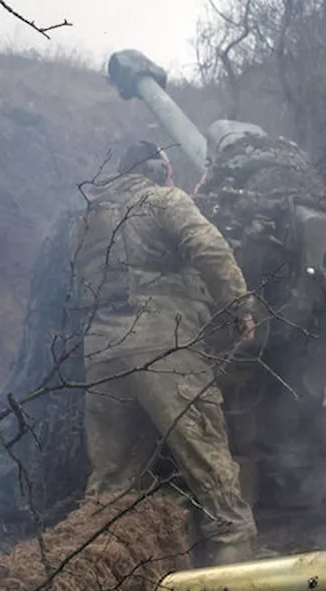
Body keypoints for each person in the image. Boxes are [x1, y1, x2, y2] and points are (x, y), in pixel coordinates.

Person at [70, 141, 259, 565]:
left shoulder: (87, 217)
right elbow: (209, 248)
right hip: (163, 348)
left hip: (100, 351)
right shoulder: (163, 200)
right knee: (213, 476)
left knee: (110, 488)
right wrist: (239, 309)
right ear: (156, 169)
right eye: (169, 171)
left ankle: (97, 583)